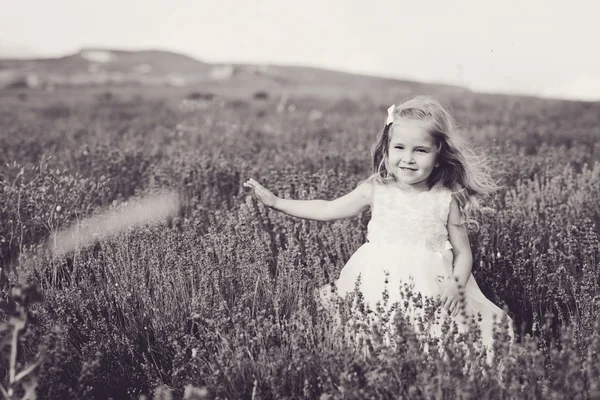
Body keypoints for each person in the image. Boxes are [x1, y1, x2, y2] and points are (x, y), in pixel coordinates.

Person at [243, 95, 514, 358]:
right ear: (386, 150)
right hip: (375, 278)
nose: (408, 158)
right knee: (369, 338)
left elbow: (463, 253)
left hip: (431, 283)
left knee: (435, 342)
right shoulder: (376, 190)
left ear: (438, 156)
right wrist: (277, 202)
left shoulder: (446, 199)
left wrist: (457, 284)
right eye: (399, 148)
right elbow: (328, 209)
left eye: (420, 150)